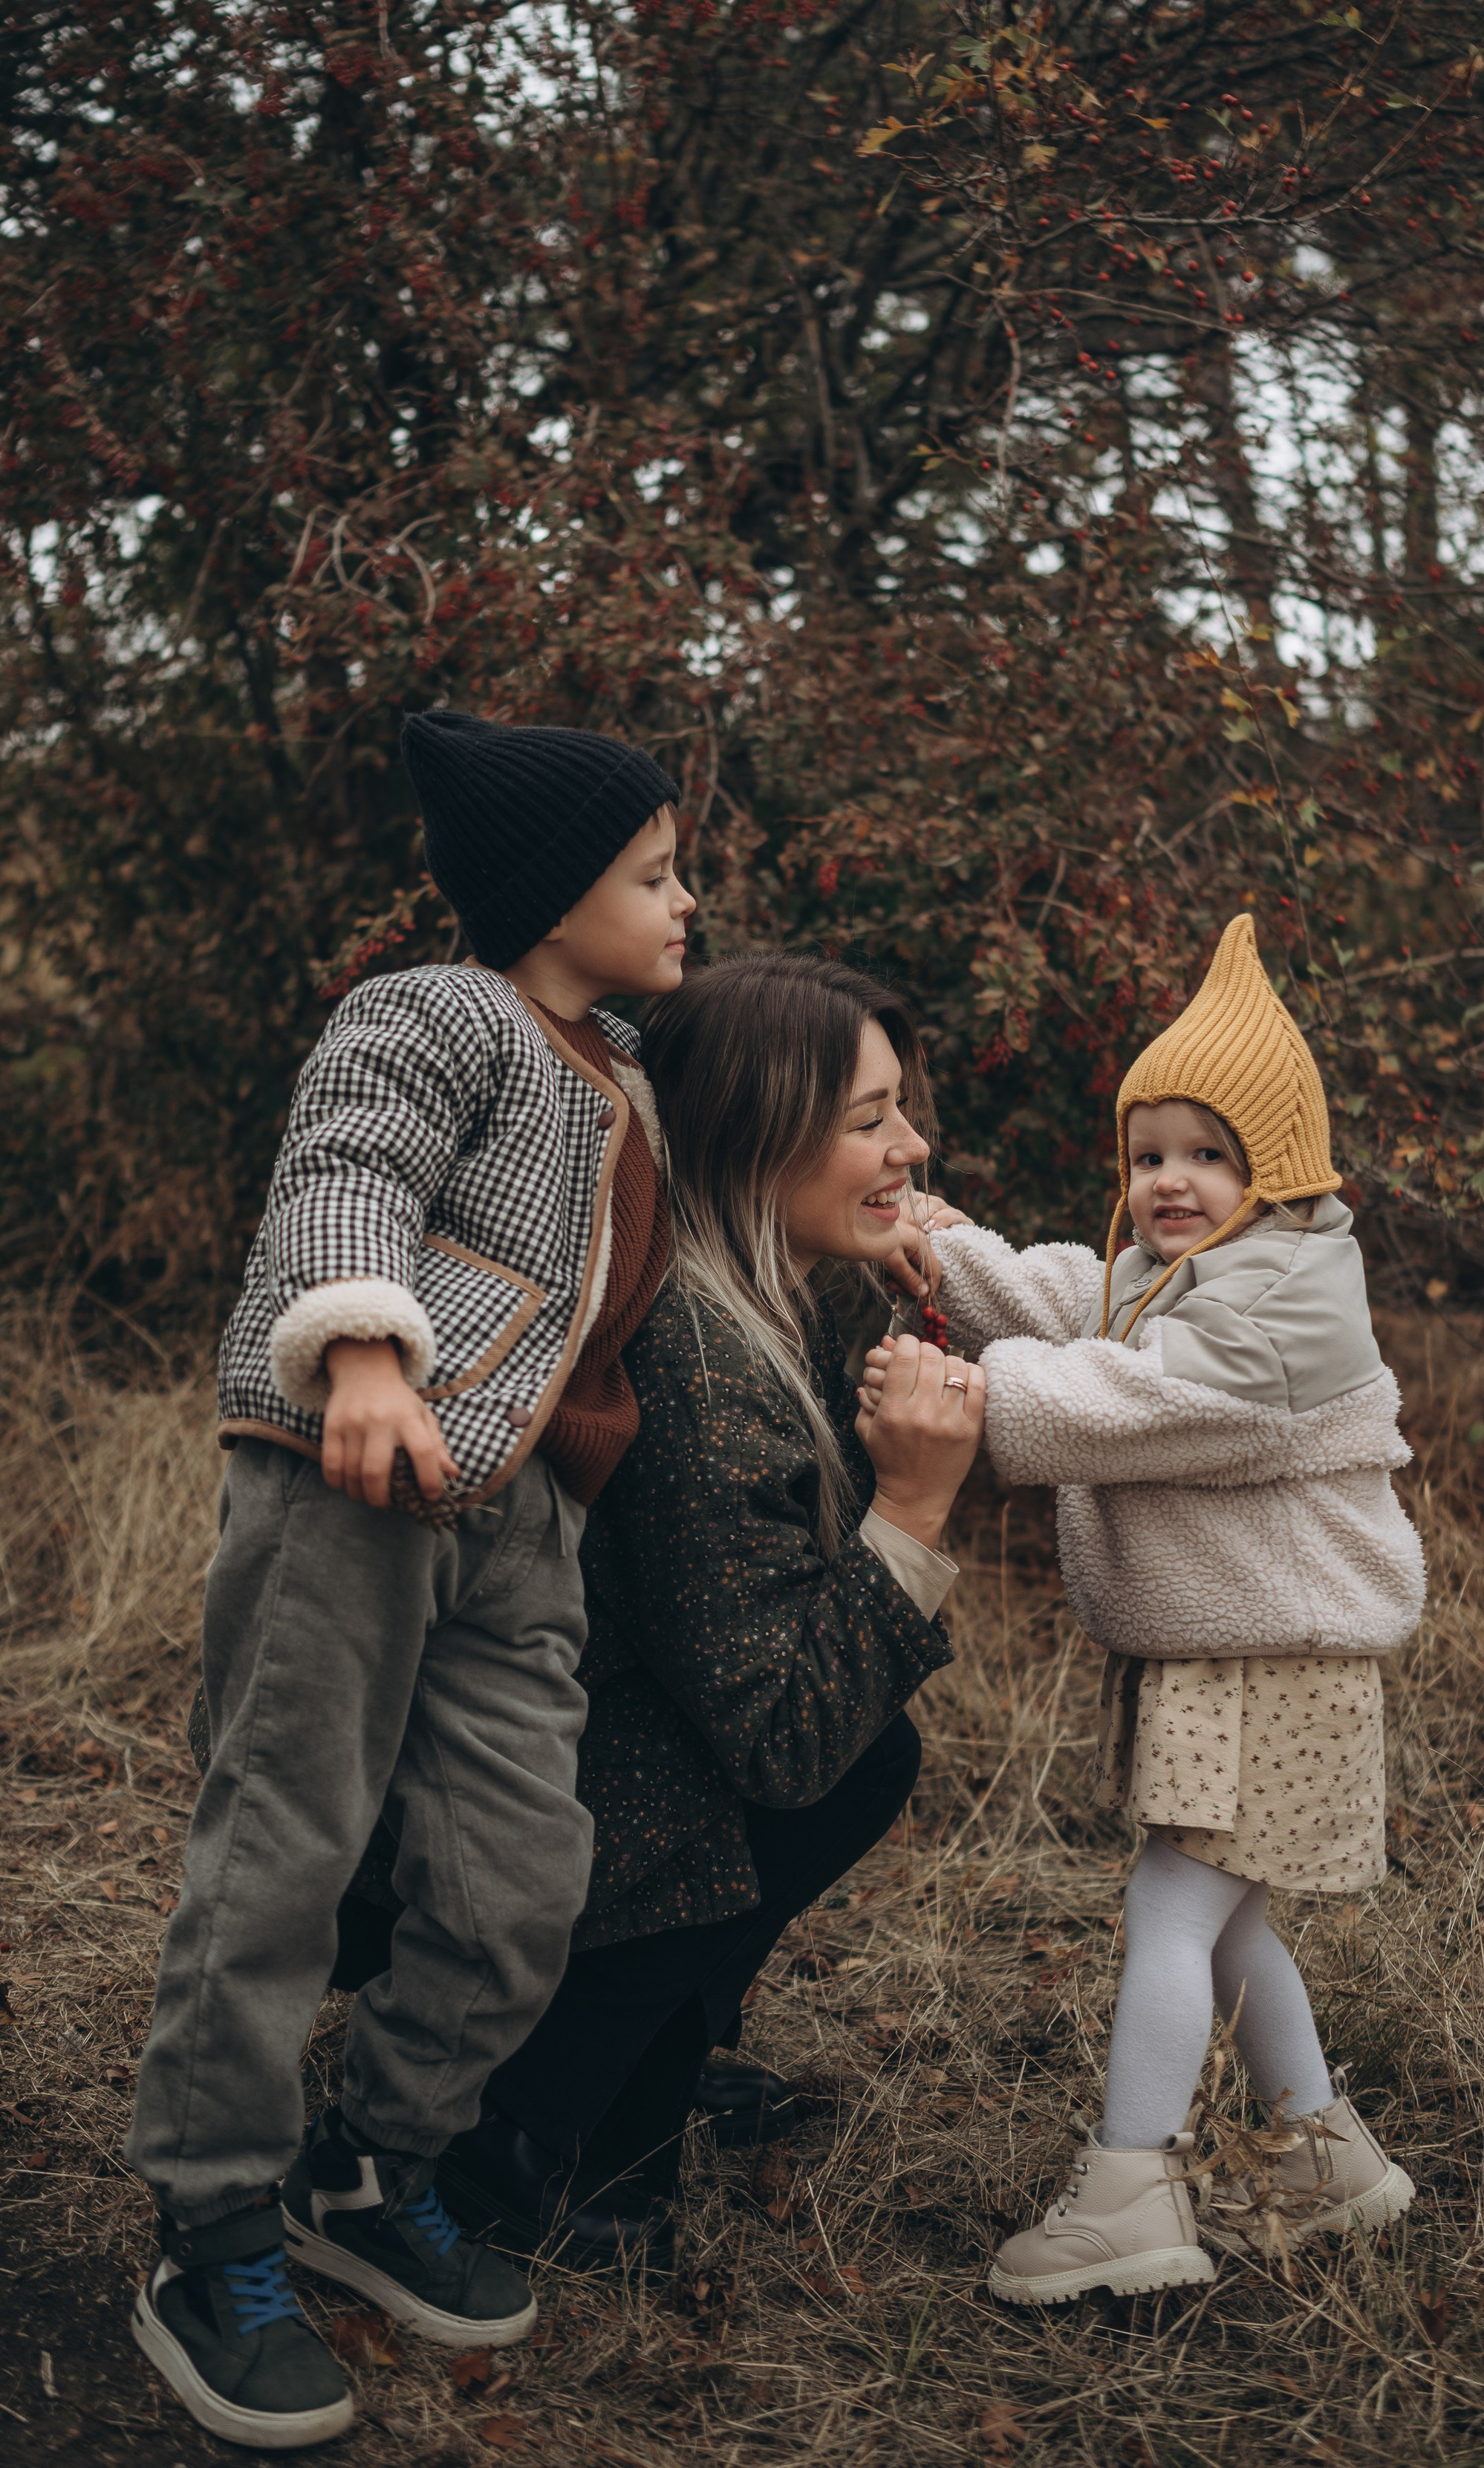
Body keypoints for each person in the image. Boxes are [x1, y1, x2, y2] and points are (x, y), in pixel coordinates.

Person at [126, 710, 693, 2450]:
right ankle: (208, 2222)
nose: (689, 903)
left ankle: (366, 2164)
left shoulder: (621, 1069)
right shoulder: (431, 1012)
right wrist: (363, 1352)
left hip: (518, 1520)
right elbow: (348, 1167)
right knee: (282, 1842)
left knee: (527, 1866)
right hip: (358, 1472)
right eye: (656, 875)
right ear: (546, 894)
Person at [872, 914, 1425, 2305]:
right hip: (1237, 1658)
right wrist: (951, 1253)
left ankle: (1131, 2190)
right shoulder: (1206, 1269)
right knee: (1231, 1921)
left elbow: (1133, 1392)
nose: (1172, 1181)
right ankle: (1325, 2158)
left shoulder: (1286, 1315)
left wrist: (975, 1400)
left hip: (1275, 1662)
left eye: (1210, 1154)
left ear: (1277, 1169)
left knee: (1171, 1910)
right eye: (1152, 1153)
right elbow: (1080, 1294)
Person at [437, 954, 984, 2269]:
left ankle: (653, 2041)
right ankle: (521, 2133)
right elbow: (782, 1738)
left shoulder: (733, 1286)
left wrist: (878, 1265)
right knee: (833, 1761)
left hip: (577, 1766)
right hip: (515, 1813)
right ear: (751, 1136)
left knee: (876, 1751)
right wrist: (913, 1509)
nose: (911, 1146)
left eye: (899, 1111)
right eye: (869, 1122)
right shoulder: (695, 1360)